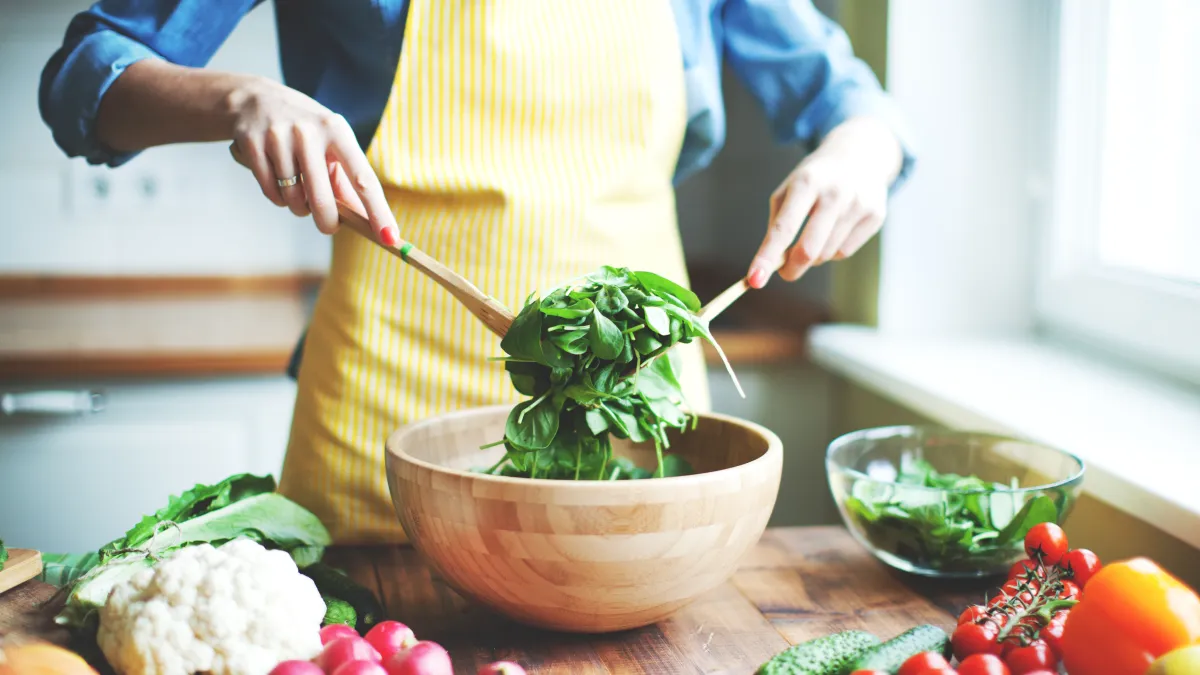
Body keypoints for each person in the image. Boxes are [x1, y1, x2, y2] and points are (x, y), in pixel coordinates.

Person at [40, 0, 915, 544]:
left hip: (641, 412)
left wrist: (860, 151)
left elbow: (849, 98)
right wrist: (243, 99)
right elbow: (86, 72)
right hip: (380, 427)